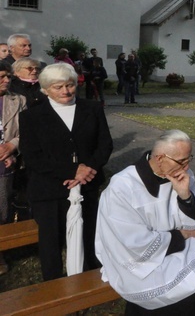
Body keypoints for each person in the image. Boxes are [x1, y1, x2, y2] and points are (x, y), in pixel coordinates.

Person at [95, 130, 195, 314]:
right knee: (189, 293)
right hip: (139, 262)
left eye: (189, 159)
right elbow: (129, 241)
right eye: (181, 161)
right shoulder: (122, 188)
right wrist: (178, 235)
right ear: (159, 158)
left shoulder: (180, 173)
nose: (186, 166)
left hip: (177, 246)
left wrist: (185, 196)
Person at [20, 63, 113, 280]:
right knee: (52, 241)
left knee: (89, 234)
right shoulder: (31, 117)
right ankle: (53, 286)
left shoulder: (92, 108)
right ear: (45, 89)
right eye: (58, 87)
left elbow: (104, 145)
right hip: (49, 189)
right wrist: (73, 171)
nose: (65, 91)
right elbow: (32, 156)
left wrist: (87, 169)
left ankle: (91, 280)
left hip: (87, 184)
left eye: (70, 85)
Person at [0, 61, 26, 276]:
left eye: (8, 76)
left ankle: (2, 253)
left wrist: (12, 149)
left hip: (4, 165)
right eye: (1, 77)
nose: (7, 80)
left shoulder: (18, 100)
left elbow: (27, 131)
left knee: (3, 209)